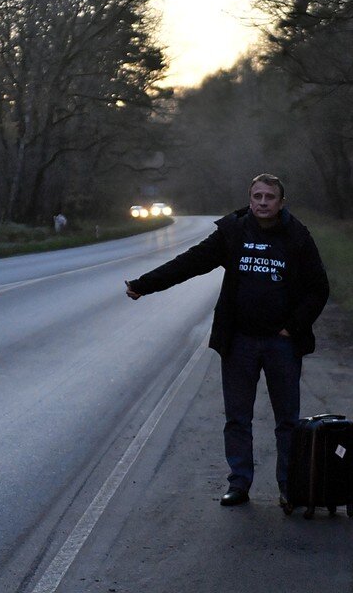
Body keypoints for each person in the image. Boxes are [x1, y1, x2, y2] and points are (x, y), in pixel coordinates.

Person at [124, 173, 329, 508]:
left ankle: (289, 487)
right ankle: (239, 484)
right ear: (250, 199)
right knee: (237, 418)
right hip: (240, 342)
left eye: (270, 198)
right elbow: (190, 263)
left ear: (281, 202)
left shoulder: (297, 236)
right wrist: (144, 284)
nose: (263, 203)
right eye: (257, 196)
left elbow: (318, 288)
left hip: (282, 345)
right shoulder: (234, 232)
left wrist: (293, 327)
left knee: (287, 421)